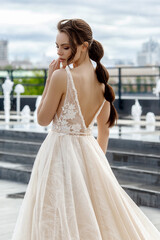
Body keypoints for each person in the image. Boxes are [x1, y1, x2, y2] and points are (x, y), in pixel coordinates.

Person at [11, 19, 160, 240]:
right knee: (86, 217)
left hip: (59, 155)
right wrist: (95, 166)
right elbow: (104, 131)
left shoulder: (62, 76)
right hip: (89, 154)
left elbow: (42, 119)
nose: (60, 53)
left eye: (66, 47)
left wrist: (49, 80)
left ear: (84, 46)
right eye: (57, 46)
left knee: (54, 216)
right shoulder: (103, 84)